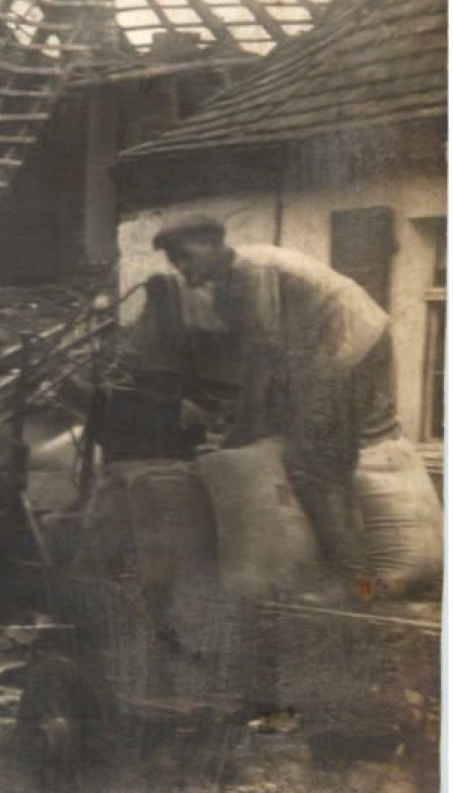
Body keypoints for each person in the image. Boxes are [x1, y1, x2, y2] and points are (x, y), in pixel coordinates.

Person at [145, 214, 399, 580]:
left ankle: (357, 584)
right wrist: (238, 418)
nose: (181, 268)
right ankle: (343, 575)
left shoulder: (252, 271)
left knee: (319, 466)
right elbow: (258, 359)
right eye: (174, 261)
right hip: (333, 352)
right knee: (312, 457)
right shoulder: (229, 283)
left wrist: (240, 433)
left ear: (212, 244)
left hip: (350, 345)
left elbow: (262, 357)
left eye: (186, 256)